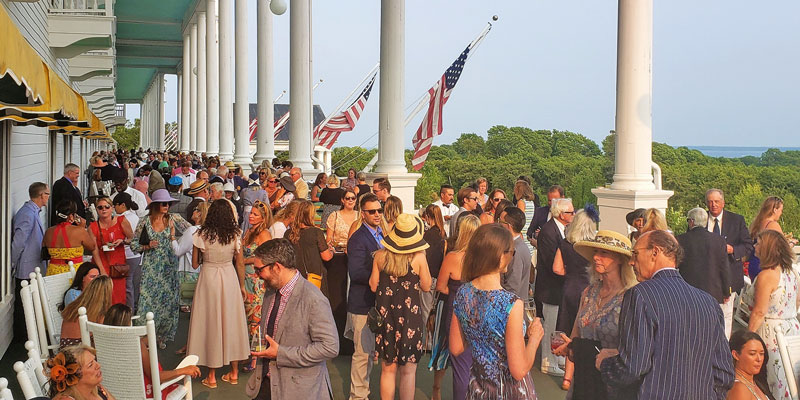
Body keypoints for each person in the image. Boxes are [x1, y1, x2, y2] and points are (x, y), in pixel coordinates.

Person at [597, 230, 734, 399]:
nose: (632, 262)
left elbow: (634, 367)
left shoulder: (640, 295)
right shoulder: (709, 303)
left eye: (636, 253)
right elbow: (723, 373)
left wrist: (605, 364)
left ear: (655, 252)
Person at [449, 223, 543, 399]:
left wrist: (480, 335)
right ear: (501, 257)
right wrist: (534, 339)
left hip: (479, 389)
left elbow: (456, 347)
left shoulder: (463, 293)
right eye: (511, 252)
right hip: (509, 391)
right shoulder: (511, 304)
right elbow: (518, 370)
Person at [247, 238, 340, 399]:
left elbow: (330, 347)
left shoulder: (313, 298)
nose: (256, 275)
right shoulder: (271, 291)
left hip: (300, 391)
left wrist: (281, 353)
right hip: (267, 385)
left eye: (259, 270)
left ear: (276, 267)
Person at [552, 230, 635, 398]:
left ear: (620, 259)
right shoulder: (589, 293)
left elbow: (636, 350)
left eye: (604, 253)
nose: (596, 257)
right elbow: (576, 337)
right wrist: (569, 347)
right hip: (584, 383)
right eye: (595, 252)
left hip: (612, 386)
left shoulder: (631, 298)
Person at [369, 214, 432, 400]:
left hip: (386, 317)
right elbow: (427, 286)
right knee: (408, 372)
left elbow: (373, 285)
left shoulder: (380, 257)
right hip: (410, 318)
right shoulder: (419, 258)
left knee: (388, 369)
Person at [187, 199, 249, 388]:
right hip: (229, 277)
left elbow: (195, 264)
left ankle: (211, 376)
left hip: (208, 279)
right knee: (233, 322)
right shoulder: (235, 234)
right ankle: (234, 372)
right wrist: (242, 286)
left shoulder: (201, 234)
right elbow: (239, 262)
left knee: (210, 323)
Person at [742, 229, 800, 400]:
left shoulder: (767, 275)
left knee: (776, 380)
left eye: (758, 243)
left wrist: (748, 338)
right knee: (790, 378)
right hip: (792, 328)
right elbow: (797, 302)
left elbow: (759, 311)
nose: (755, 247)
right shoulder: (791, 272)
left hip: (772, 333)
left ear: (767, 248)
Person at [130, 189, 191, 349]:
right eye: (163, 203)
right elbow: (133, 244)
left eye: (168, 203)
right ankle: (145, 336)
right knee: (147, 302)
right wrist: (146, 245)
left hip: (169, 267)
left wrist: (178, 243)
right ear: (156, 205)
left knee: (168, 303)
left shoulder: (174, 218)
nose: (167, 206)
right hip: (151, 267)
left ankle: (160, 337)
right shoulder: (144, 221)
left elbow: (193, 232)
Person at [103, 304, 201, 399]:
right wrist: (184, 370)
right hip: (144, 394)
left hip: (115, 392)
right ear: (128, 324)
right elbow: (157, 378)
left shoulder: (102, 343)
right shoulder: (137, 346)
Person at [430, 215, 480, 400]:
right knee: (471, 361)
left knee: (456, 360)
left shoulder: (453, 257)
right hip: (477, 311)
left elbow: (440, 286)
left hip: (454, 310)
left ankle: (439, 389)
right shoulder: (483, 259)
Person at [346, 193, 384, 399]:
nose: (377, 214)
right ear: (363, 214)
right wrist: (379, 274)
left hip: (375, 303)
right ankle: (358, 396)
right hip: (362, 303)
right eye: (372, 211)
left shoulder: (380, 235)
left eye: (380, 210)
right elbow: (356, 273)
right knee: (362, 354)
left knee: (369, 354)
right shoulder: (358, 239)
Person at [677, 207, 732, 337]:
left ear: (691, 222)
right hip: (713, 291)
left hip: (687, 291)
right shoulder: (718, 240)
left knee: (690, 329)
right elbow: (724, 267)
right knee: (710, 328)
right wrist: (727, 291)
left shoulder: (680, 240)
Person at [534, 197, 574, 376]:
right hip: (550, 288)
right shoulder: (549, 232)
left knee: (558, 325)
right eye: (570, 212)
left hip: (557, 288)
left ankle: (556, 356)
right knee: (550, 325)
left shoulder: (561, 229)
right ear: (560, 214)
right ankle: (547, 362)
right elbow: (551, 263)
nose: (573, 215)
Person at [707, 188, 754, 332]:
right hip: (706, 277)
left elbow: (748, 246)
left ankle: (725, 349)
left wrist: (733, 250)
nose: (713, 205)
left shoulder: (736, 220)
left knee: (726, 316)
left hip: (730, 275)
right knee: (707, 315)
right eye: (710, 202)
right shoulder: (700, 220)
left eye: (716, 201)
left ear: (723, 203)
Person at [241, 200, 273, 371]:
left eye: (255, 214)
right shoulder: (248, 231)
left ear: (263, 218)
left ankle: (255, 359)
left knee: (256, 319)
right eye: (251, 213)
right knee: (246, 318)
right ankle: (247, 353)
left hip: (256, 280)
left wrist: (245, 260)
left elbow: (266, 256)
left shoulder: (265, 234)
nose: (251, 216)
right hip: (244, 278)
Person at [89, 196, 133, 305]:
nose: (103, 209)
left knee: (119, 297)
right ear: (97, 210)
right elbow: (94, 250)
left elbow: (132, 238)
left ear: (112, 208)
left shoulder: (121, 221)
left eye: (106, 207)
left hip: (118, 265)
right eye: (100, 207)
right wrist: (101, 269)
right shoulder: (93, 227)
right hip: (102, 262)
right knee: (103, 298)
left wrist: (122, 241)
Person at [287, 200, 334, 296]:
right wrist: (331, 251)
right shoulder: (316, 232)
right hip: (314, 276)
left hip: (295, 277)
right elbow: (326, 257)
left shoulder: (288, 233)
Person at [59, 276, 113, 349]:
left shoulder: (74, 307)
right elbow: (106, 336)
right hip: (83, 354)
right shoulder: (99, 314)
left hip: (65, 351)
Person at [43, 200, 94, 276]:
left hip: (53, 274)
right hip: (74, 273)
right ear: (71, 216)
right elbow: (92, 246)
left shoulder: (48, 232)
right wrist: (82, 228)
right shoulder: (79, 231)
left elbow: (44, 252)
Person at [47, 344, 116, 400]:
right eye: (90, 365)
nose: (98, 365)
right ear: (75, 376)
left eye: (95, 360)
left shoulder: (97, 389)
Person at [748, 196, 794, 279]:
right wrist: (791, 243)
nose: (781, 213)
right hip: (765, 265)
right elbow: (782, 248)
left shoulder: (757, 224)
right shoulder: (772, 225)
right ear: (775, 210)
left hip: (754, 263)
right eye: (781, 210)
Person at [111, 193, 143, 311]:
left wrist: (122, 241)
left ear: (122, 205)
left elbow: (129, 237)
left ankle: (129, 310)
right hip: (137, 255)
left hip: (128, 253)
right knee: (134, 284)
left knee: (127, 285)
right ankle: (133, 307)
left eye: (115, 206)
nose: (114, 209)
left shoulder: (123, 218)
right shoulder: (135, 216)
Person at [728, 330, 774, 400]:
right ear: (736, 355)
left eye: (761, 354)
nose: (759, 359)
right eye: (752, 354)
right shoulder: (739, 388)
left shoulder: (756, 382)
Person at [498, 207, 532, 301]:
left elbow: (512, 287)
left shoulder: (514, 251)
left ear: (508, 226)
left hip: (511, 308)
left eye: (500, 221)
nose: (498, 224)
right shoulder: (519, 245)